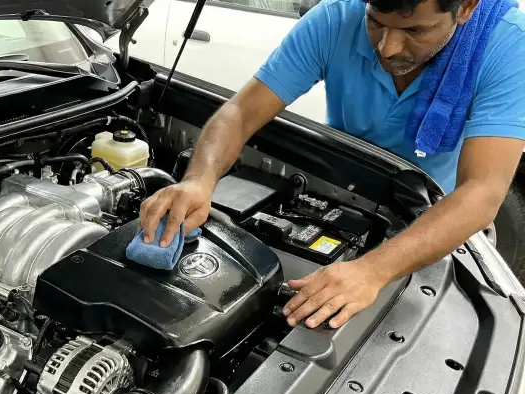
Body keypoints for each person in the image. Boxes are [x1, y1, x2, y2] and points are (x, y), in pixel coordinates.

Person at [139, 0, 525, 329]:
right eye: (375, 22)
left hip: (434, 216)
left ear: (467, 7)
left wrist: (372, 270)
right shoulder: (338, 17)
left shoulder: (507, 45)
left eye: (414, 30)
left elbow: (482, 190)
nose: (388, 48)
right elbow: (240, 112)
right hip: (343, 182)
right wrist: (199, 180)